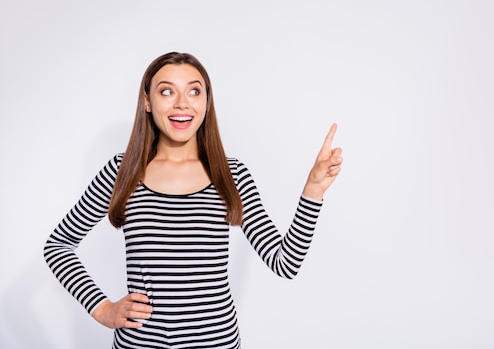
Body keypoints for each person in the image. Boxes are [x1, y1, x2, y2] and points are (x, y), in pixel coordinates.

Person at [43, 52, 343, 349]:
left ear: (206, 102)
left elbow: (285, 263)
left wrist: (313, 191)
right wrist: (102, 309)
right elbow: (58, 246)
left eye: (194, 91)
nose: (182, 103)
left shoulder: (231, 174)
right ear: (147, 102)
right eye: (167, 91)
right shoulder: (122, 172)